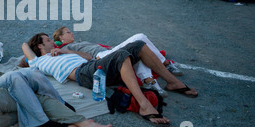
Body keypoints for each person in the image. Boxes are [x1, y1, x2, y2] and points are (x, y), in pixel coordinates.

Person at [24, 33, 198, 126]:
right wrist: (41, 48)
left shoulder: (61, 51)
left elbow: (86, 56)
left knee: (138, 45)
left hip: (92, 65)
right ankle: (144, 106)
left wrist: (65, 51)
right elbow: (25, 46)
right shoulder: (38, 61)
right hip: (83, 74)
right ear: (39, 46)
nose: (52, 43)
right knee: (121, 55)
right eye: (47, 41)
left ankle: (173, 82)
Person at [51, 27, 184, 96]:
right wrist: (65, 50)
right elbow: (86, 58)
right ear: (61, 37)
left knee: (137, 54)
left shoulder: (75, 44)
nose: (72, 33)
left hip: (107, 52)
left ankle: (150, 82)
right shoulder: (65, 49)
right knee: (140, 37)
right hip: (101, 57)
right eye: (68, 32)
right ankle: (165, 64)